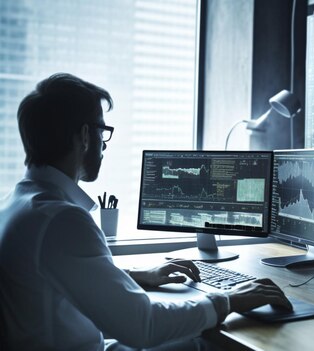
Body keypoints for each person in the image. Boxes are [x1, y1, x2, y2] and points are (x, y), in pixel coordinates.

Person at [0, 73, 292, 350]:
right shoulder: (62, 220)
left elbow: (62, 278)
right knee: (214, 345)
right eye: (103, 130)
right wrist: (228, 300)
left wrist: (137, 275)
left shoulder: (16, 203)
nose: (104, 145)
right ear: (85, 136)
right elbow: (144, 327)